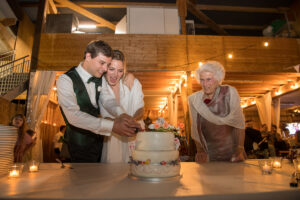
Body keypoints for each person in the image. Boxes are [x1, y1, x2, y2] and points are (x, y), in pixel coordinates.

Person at [57, 40, 141, 163]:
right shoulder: (65, 80)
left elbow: (107, 100)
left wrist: (122, 114)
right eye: (102, 63)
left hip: (99, 143)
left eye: (107, 64)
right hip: (77, 145)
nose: (105, 69)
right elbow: (73, 115)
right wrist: (112, 126)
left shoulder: (99, 78)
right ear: (88, 56)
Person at [188, 61, 246, 163]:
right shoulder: (194, 100)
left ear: (218, 79)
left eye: (209, 79)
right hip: (209, 154)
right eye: (202, 80)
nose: (205, 84)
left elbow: (239, 124)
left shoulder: (230, 93)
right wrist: (200, 151)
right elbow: (196, 130)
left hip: (233, 152)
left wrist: (240, 149)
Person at [100, 50, 144, 163]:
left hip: (134, 133)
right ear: (105, 67)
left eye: (120, 71)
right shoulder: (99, 85)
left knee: (136, 168)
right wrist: (119, 121)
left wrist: (132, 121)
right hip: (112, 135)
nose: (115, 75)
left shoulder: (132, 82)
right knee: (112, 170)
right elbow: (105, 107)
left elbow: (141, 108)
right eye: (111, 69)